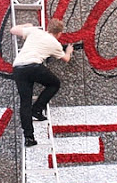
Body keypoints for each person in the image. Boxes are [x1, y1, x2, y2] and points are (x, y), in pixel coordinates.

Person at [10, 19, 73, 147]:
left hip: (18, 68)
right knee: (54, 84)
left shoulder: (34, 31)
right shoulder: (55, 44)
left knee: (25, 102)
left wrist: (27, 25)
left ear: (48, 28)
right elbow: (66, 59)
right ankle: (37, 109)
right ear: (59, 33)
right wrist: (69, 51)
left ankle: (29, 137)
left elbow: (13, 30)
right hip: (33, 66)